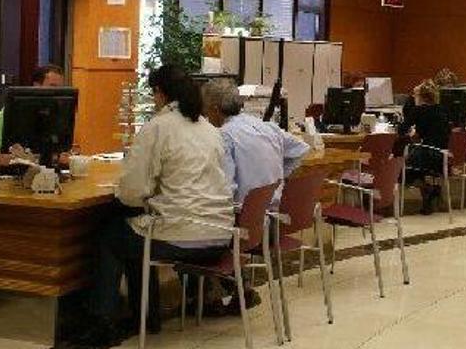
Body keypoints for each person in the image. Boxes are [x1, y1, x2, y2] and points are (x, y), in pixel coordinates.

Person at [78, 65, 231, 346]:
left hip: (181, 236)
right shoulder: (209, 128)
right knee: (135, 230)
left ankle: (103, 322)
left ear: (159, 93)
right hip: (220, 234)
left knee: (112, 236)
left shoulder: (158, 127)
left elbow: (132, 192)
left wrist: (137, 197)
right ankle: (146, 316)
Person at [201, 78, 310, 206]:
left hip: (243, 215)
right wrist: (280, 176)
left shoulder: (224, 136)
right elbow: (301, 149)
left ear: (215, 110)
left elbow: (226, 189)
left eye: (206, 110)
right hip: (274, 211)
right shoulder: (268, 127)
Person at [0, 64, 65, 164]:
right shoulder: (13, 110)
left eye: (61, 88)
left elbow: (61, 147)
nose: (58, 93)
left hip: (48, 172)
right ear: (37, 86)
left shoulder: (60, 113)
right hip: (13, 172)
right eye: (53, 86)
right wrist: (3, 159)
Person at [399, 79, 451, 215]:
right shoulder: (442, 109)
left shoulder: (419, 110)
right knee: (417, 163)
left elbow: (401, 129)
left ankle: (427, 190)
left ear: (421, 97)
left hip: (426, 155)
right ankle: (432, 190)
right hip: (443, 157)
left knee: (402, 172)